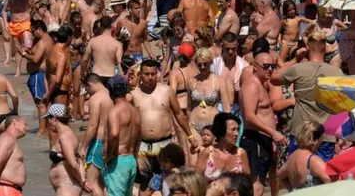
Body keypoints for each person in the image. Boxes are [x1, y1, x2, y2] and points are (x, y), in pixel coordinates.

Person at [270, 31, 344, 162]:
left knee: (298, 174)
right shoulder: (336, 72)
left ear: (308, 47)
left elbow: (273, 78)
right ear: (325, 48)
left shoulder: (298, 69)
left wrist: (295, 59)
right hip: (326, 135)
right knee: (322, 175)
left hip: (300, 132)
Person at [130, 60, 199, 196]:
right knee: (144, 183)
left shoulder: (167, 91)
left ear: (158, 74)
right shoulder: (133, 95)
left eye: (153, 74)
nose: (150, 77)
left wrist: (190, 136)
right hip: (142, 146)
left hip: (164, 144)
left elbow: (179, 114)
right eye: (146, 74)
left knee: (168, 181)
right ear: (140, 75)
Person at [240, 52, 286, 196]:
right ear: (254, 66)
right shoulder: (252, 85)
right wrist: (273, 132)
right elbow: (249, 116)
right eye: (266, 66)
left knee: (260, 183)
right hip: (255, 140)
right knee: (257, 186)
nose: (270, 70)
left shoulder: (260, 84)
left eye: (272, 66)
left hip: (262, 140)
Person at [104, 76, 141, 196]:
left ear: (110, 92)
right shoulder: (135, 111)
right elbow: (139, 138)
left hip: (118, 161)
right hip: (131, 160)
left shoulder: (115, 111)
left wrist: (109, 156)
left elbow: (114, 135)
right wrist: (133, 156)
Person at [46, 103, 94, 196]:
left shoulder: (65, 136)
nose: (48, 122)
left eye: (48, 118)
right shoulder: (64, 134)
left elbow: (73, 164)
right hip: (66, 185)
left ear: (55, 118)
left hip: (67, 186)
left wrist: (83, 182)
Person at [80, 74, 113, 196]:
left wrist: (83, 147)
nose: (87, 92)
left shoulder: (96, 99)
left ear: (89, 84)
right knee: (105, 183)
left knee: (92, 182)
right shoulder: (112, 94)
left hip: (98, 143)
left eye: (86, 88)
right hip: (112, 143)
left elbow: (93, 126)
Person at [277, 121, 331, 190]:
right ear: (315, 139)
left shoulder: (292, 157)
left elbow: (279, 175)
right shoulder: (313, 160)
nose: (322, 141)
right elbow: (328, 180)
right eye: (321, 138)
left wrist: (291, 191)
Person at [196, 112, 249, 182]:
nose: (236, 133)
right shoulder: (207, 153)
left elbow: (248, 183)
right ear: (221, 131)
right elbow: (195, 182)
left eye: (237, 129)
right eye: (233, 130)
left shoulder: (241, 154)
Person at [80, 16, 123, 85]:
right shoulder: (117, 44)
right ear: (111, 25)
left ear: (100, 26)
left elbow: (85, 59)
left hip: (96, 76)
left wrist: (82, 74)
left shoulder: (93, 41)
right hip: (111, 76)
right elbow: (119, 63)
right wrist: (122, 78)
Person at [4, 0, 34, 76]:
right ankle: (18, 71)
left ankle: (33, 68)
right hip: (13, 25)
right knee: (17, 49)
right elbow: (4, 11)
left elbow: (34, 7)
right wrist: (5, 23)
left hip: (25, 24)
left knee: (28, 46)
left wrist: (30, 17)